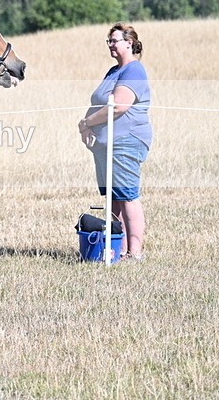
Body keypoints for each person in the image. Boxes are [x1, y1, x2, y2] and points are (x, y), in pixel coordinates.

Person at [79, 23, 152, 261]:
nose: (110, 45)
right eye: (108, 41)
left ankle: (135, 253)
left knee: (127, 195)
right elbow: (101, 102)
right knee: (113, 198)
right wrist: (85, 125)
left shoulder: (134, 71)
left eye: (115, 41)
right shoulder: (113, 71)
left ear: (129, 43)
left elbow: (119, 106)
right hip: (105, 144)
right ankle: (118, 249)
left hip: (125, 141)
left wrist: (88, 122)